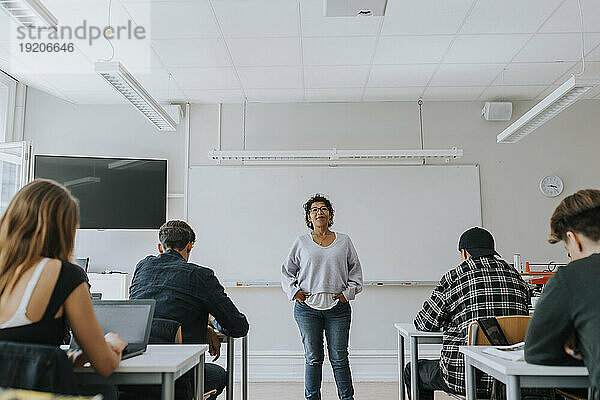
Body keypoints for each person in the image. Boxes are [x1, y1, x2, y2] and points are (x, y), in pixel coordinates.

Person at [0, 179, 127, 392]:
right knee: (105, 389)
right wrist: (112, 345)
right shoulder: (65, 275)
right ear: (64, 229)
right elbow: (104, 365)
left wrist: (62, 358)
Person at [129, 220, 249, 400]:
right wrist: (209, 322)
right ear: (190, 246)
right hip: (180, 378)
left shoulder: (143, 267)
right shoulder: (200, 275)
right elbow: (238, 326)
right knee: (218, 374)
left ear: (160, 247)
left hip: (135, 374)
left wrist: (203, 325)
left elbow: (157, 316)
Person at [406, 227, 530, 399]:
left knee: (413, 370)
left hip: (466, 377)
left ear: (464, 253)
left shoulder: (455, 277)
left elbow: (425, 323)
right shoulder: (515, 276)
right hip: (510, 378)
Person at [281, 193, 363, 400]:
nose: (319, 213)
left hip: (338, 309)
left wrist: (348, 293)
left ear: (330, 214)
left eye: (324, 209)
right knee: (313, 358)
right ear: (309, 217)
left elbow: (355, 270)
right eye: (314, 210)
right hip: (307, 310)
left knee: (339, 358)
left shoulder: (344, 241)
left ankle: (347, 398)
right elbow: (287, 271)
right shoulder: (301, 242)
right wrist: (294, 292)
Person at [525, 189, 600, 398]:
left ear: (574, 239)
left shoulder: (572, 276)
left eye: (569, 253)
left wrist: (584, 349)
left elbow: (538, 351)